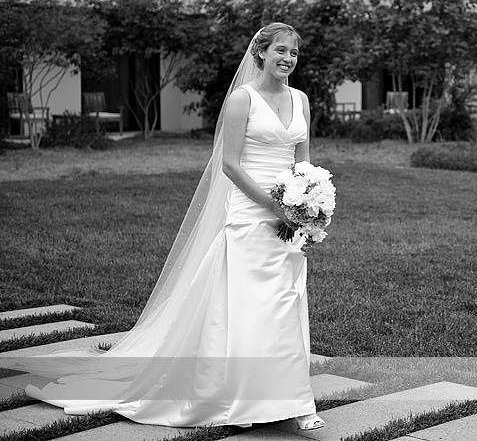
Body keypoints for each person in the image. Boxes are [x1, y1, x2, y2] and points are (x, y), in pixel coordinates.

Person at [24, 23, 325, 431]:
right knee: (251, 311)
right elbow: (230, 165)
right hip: (250, 214)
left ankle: (294, 401)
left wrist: (307, 204)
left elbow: (303, 162)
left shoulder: (301, 100)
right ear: (261, 53)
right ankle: (243, 400)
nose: (288, 59)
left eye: (294, 53)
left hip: (288, 219)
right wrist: (273, 203)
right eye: (280, 51)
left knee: (287, 306)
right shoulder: (243, 100)